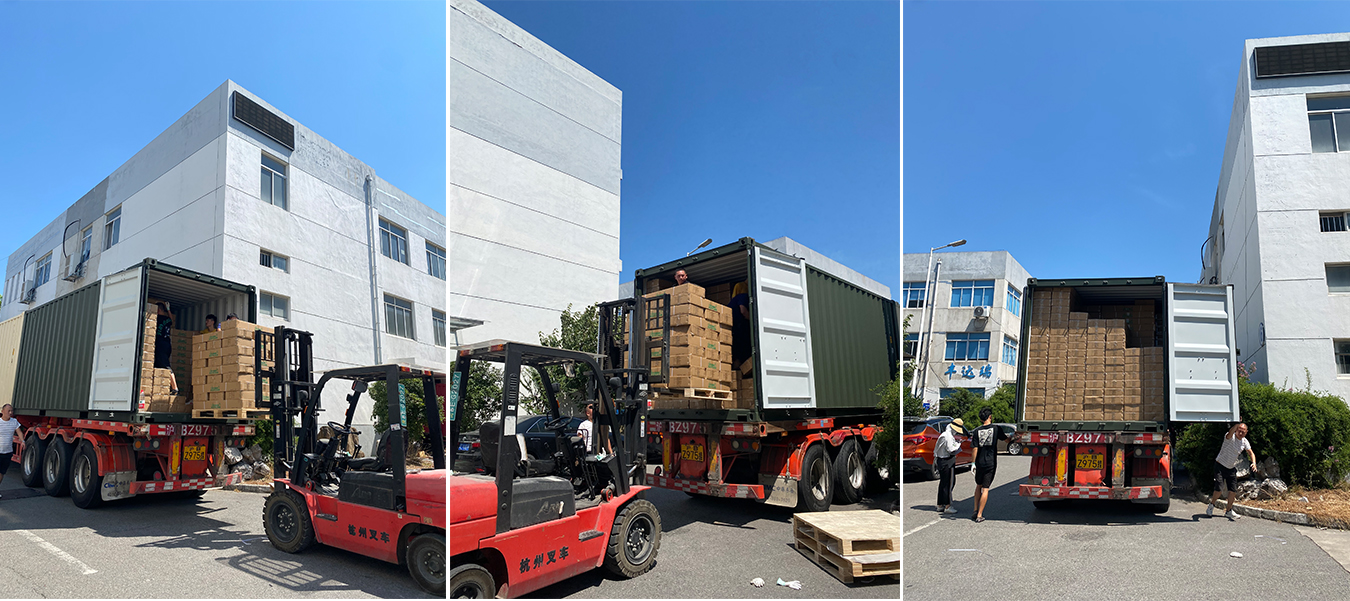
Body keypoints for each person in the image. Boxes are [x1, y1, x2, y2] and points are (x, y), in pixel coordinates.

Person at [1207, 422, 1257, 520]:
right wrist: (1237, 423)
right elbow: (1230, 432)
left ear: (1246, 432)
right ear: (1236, 430)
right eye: (1239, 430)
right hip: (1220, 465)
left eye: (1243, 432)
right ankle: (1211, 505)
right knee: (1219, 489)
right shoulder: (1229, 437)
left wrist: (1254, 463)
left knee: (1233, 490)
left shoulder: (1245, 441)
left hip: (1231, 468)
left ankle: (1229, 511)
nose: (1241, 433)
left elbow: (1251, 453)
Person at [969, 407, 1009, 523]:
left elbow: (974, 448)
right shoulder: (996, 429)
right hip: (990, 462)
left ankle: (975, 509)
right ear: (990, 417)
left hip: (979, 462)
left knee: (978, 485)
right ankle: (980, 515)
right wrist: (1013, 439)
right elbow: (1006, 440)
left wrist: (973, 462)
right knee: (985, 488)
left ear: (981, 419)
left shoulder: (977, 431)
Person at [935, 418, 965, 515]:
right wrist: (959, 444)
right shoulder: (948, 436)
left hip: (940, 460)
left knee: (943, 483)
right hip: (947, 460)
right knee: (949, 483)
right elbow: (951, 449)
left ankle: (940, 504)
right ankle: (948, 505)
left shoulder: (944, 434)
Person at [154, 302, 180, 395]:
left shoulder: (157, 319)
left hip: (161, 345)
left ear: (158, 310)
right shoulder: (166, 319)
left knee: (166, 366)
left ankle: (175, 388)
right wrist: (168, 309)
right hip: (167, 345)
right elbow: (171, 319)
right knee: (159, 365)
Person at [0, 403, 25, 498]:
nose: (10, 413)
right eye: (8, 411)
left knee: (2, 472)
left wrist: (22, 441)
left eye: (11, 411)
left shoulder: (14, 422)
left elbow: (19, 432)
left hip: (7, 452)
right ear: (2, 411)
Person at [730, 282, 752, 372]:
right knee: (742, 345)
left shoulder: (734, 300)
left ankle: (737, 368)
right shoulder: (744, 297)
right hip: (736, 325)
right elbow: (743, 310)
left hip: (732, 326)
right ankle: (739, 369)